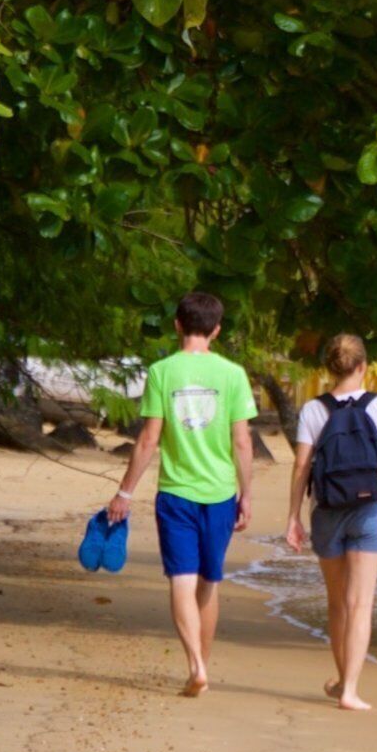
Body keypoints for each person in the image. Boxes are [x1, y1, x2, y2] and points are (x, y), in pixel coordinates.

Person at [105, 290, 257, 696]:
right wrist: (246, 495)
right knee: (210, 582)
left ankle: (195, 665)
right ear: (217, 330)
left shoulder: (162, 372)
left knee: (182, 580)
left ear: (177, 325)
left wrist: (124, 492)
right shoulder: (233, 374)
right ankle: (200, 667)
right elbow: (242, 442)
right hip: (221, 494)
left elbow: (148, 440)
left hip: (176, 493)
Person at [284, 333, 377, 711]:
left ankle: (342, 681)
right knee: (360, 603)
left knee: (337, 604)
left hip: (327, 511)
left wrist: (293, 518)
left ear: (328, 369)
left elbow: (301, 466)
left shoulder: (314, 410)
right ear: (363, 367)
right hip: (370, 512)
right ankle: (349, 689)